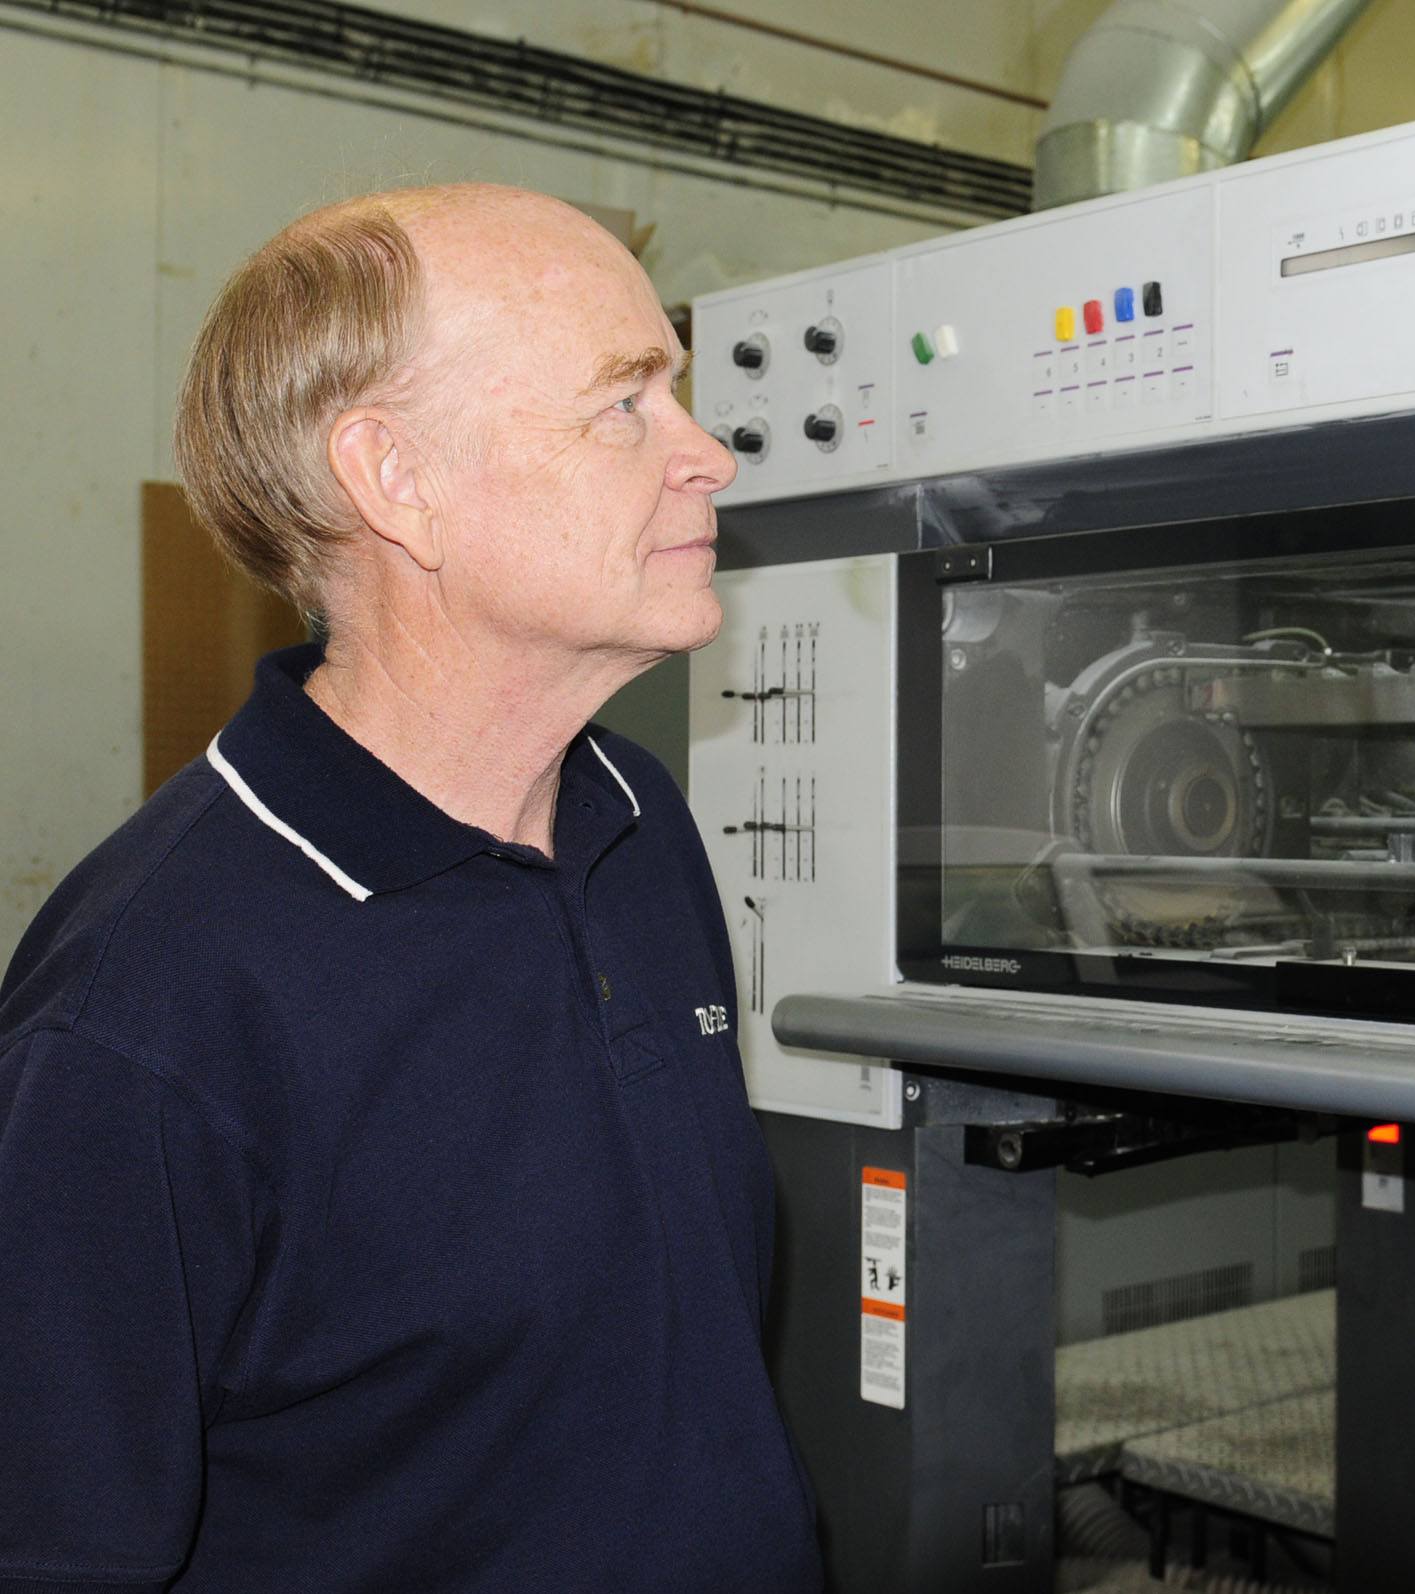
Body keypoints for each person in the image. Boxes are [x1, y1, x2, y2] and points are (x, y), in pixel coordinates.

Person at [0, 185, 822, 1592]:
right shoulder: (143, 1017)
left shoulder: (637, 827)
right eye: (625, 403)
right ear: (396, 480)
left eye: (677, 392)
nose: (710, 456)